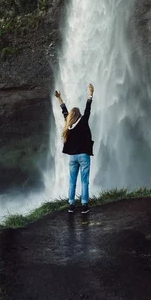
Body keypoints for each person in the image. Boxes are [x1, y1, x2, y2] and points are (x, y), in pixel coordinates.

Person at [54, 84, 94, 214]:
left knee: (72, 182)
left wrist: (59, 98)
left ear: (71, 116)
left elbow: (64, 110)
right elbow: (88, 109)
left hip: (72, 157)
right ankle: (84, 205)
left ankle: (71, 205)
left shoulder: (68, 124)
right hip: (83, 156)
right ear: (80, 115)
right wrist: (90, 94)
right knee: (84, 181)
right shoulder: (83, 121)